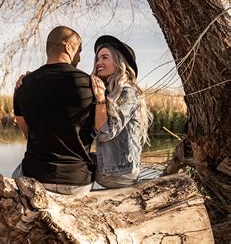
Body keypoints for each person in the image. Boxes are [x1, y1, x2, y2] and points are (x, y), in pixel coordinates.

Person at [12, 26, 95, 195]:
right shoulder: (89, 84)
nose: (79, 57)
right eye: (79, 50)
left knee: (16, 173)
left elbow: (27, 133)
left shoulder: (23, 85)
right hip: (77, 183)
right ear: (68, 47)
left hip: (35, 179)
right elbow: (98, 130)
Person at [90, 35, 153, 188]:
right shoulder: (108, 91)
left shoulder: (128, 91)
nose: (99, 63)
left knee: (70, 165)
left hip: (119, 174)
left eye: (105, 57)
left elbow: (106, 133)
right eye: (98, 59)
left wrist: (99, 99)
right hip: (110, 170)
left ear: (119, 63)